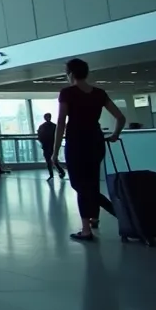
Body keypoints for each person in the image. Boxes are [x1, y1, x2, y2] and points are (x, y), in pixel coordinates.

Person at [54, 58, 123, 242]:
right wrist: (115, 135)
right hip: (96, 141)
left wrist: (54, 152)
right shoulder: (99, 93)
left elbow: (61, 122)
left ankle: (87, 229)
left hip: (77, 143)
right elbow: (120, 117)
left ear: (70, 74)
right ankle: (94, 218)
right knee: (91, 182)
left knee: (80, 186)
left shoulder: (67, 93)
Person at [37, 113, 65, 180]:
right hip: (52, 146)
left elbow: (39, 136)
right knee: (53, 160)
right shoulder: (54, 126)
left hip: (46, 146)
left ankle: (52, 175)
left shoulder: (42, 127)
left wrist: (43, 142)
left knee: (49, 161)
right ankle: (61, 172)